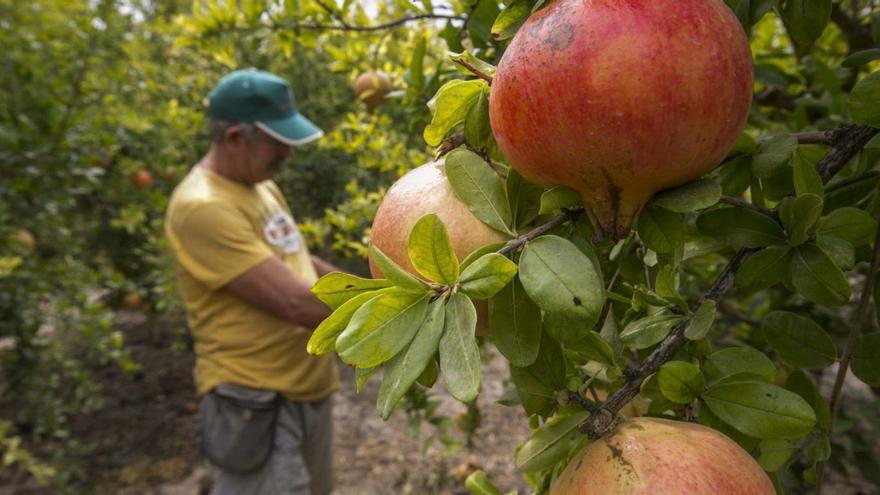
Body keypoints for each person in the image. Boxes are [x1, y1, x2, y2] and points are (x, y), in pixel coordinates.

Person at [165, 68, 341, 495]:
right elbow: (296, 304)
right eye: (277, 142)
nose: (287, 154)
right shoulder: (201, 207)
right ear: (234, 138)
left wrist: (380, 291)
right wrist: (393, 318)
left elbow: (300, 260)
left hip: (308, 390)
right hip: (257, 403)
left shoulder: (259, 185)